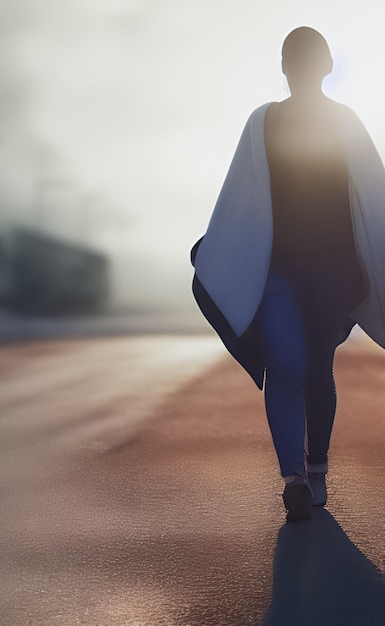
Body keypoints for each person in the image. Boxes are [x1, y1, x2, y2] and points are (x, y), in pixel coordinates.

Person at [191, 26, 385, 523]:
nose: (300, 69)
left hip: (332, 270)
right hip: (275, 270)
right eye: (294, 61)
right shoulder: (263, 123)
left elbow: (374, 199)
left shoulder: (345, 123)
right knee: (287, 365)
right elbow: (239, 196)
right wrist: (219, 250)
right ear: (286, 68)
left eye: (306, 60)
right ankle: (294, 478)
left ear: (321, 68)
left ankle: (315, 467)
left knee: (316, 370)